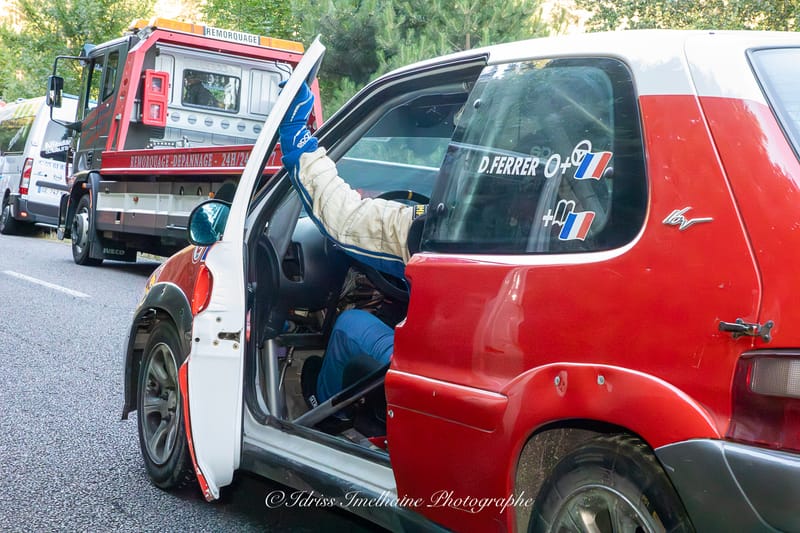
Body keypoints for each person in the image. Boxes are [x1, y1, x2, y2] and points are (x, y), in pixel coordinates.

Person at [279, 82, 427, 407]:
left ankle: (327, 410)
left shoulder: (442, 230)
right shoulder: (536, 236)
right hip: (491, 377)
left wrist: (295, 133)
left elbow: (345, 218)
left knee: (349, 325)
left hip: (430, 372)